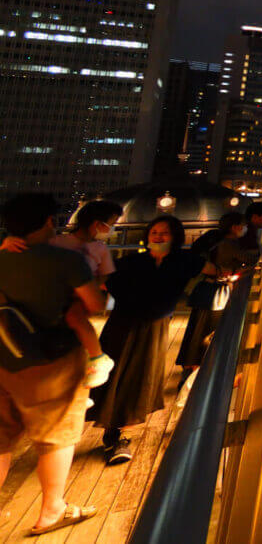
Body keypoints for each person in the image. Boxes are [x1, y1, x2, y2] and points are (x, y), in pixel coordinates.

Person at [0, 193, 107, 535]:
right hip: (50, 360)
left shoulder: (1, 255)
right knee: (57, 436)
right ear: (48, 221)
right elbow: (95, 305)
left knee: (0, 436)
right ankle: (51, 511)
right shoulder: (65, 261)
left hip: (3, 357)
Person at [91, 215, 207, 465]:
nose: (158, 236)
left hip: (154, 327)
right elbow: (103, 280)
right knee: (116, 374)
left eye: (164, 233)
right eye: (154, 232)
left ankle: (120, 432)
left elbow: (214, 267)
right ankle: (114, 433)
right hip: (123, 324)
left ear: (175, 236)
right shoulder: (132, 261)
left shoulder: (184, 261)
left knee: (141, 375)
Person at [51, 201, 121, 387]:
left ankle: (97, 358)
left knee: (75, 317)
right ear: (97, 223)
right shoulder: (58, 241)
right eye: (111, 222)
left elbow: (104, 275)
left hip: (79, 297)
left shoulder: (100, 249)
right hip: (56, 295)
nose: (111, 228)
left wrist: (86, 287)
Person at [175, 212, 249, 372]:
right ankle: (200, 365)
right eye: (244, 225)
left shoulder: (217, 240)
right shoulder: (230, 244)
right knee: (207, 328)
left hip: (206, 289)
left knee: (198, 327)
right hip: (218, 292)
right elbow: (249, 260)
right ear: (235, 227)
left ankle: (189, 363)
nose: (245, 229)